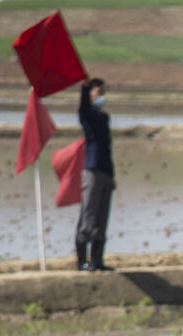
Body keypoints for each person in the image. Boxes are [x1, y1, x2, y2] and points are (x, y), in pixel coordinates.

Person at [76, 78, 115, 271]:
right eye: (97, 93)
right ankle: (82, 261)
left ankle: (97, 261)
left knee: (102, 217)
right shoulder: (88, 115)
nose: (101, 97)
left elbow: (107, 149)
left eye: (102, 94)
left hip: (105, 171)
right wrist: (84, 88)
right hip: (92, 171)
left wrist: (112, 176)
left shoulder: (103, 118)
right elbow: (83, 108)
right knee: (89, 216)